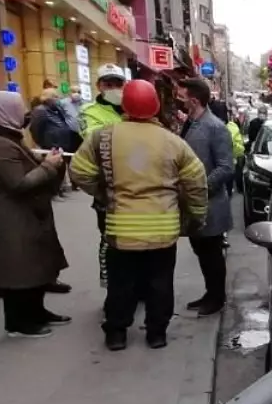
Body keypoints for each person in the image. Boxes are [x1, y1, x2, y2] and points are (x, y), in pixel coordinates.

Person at [70, 80, 208, 351]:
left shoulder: (103, 137)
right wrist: (196, 215)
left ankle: (117, 333)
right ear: (156, 107)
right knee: (160, 283)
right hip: (163, 230)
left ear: (125, 105)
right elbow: (196, 182)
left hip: (121, 229)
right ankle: (157, 334)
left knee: (121, 283)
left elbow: (79, 171)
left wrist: (102, 192)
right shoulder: (173, 142)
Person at [0, 92, 69, 338]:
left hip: (28, 212)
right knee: (19, 268)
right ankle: (19, 322)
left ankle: (37, 312)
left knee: (35, 264)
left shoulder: (9, 137)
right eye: (17, 108)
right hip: (11, 216)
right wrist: (49, 165)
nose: (24, 112)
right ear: (2, 112)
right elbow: (18, 183)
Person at [177, 77, 234, 316]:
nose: (177, 100)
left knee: (211, 254)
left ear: (193, 99)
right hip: (193, 204)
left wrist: (200, 188)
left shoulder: (215, 127)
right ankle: (209, 294)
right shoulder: (192, 123)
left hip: (210, 204)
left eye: (181, 96)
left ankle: (216, 298)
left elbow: (226, 167)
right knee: (201, 251)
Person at [80, 65, 127, 287]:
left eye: (118, 84)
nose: (115, 89)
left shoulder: (132, 107)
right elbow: (95, 143)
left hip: (135, 185)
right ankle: (112, 287)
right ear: (98, 86)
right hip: (107, 188)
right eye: (109, 84)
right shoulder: (90, 112)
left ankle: (135, 286)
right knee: (110, 240)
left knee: (134, 239)